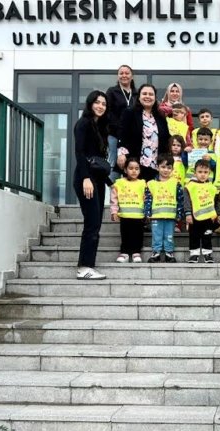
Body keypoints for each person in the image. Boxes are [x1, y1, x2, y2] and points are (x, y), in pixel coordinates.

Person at [73, 90, 109, 280]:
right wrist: (86, 178)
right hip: (85, 179)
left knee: (96, 222)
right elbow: (80, 153)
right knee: (92, 222)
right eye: (97, 102)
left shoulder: (100, 127)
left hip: (97, 180)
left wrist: (112, 183)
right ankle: (84, 267)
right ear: (90, 103)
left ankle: (87, 264)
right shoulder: (84, 124)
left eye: (103, 103)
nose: (100, 106)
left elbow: (99, 163)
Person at [117, 84, 171, 182]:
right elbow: (122, 134)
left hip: (155, 167)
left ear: (155, 98)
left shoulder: (161, 117)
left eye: (151, 94)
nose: (147, 96)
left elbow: (167, 138)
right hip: (136, 166)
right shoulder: (129, 113)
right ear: (139, 97)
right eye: (144, 94)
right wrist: (121, 154)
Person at [145, 154, 185, 263]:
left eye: (169, 167)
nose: (166, 170)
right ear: (157, 167)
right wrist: (147, 212)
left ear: (172, 169)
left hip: (171, 216)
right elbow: (148, 199)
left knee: (169, 235)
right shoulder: (151, 183)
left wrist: (179, 213)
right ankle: (156, 253)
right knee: (157, 235)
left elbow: (180, 199)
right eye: (163, 167)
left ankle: (169, 253)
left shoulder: (176, 183)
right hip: (156, 216)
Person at [110, 158, 146, 263]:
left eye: (136, 168)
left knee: (138, 234)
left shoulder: (143, 183)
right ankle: (124, 253)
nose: (134, 171)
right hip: (124, 215)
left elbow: (146, 199)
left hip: (138, 216)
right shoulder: (119, 183)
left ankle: (136, 252)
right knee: (125, 234)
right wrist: (114, 211)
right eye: (130, 168)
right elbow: (114, 199)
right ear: (125, 170)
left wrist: (147, 213)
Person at [105, 65, 137, 182]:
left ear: (132, 76)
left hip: (131, 137)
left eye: (127, 73)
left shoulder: (136, 94)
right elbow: (107, 112)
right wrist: (118, 128)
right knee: (115, 164)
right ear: (118, 76)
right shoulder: (112, 91)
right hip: (115, 134)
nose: (124, 75)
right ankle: (113, 193)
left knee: (131, 165)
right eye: (121, 73)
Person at [184, 159, 218, 263]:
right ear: (195, 173)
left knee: (207, 235)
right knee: (194, 235)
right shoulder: (190, 186)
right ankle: (194, 254)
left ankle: (207, 254)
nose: (203, 175)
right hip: (194, 216)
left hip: (208, 216)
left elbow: (215, 201)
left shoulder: (211, 186)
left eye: (205, 172)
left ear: (209, 173)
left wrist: (215, 214)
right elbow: (187, 201)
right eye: (200, 172)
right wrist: (188, 213)